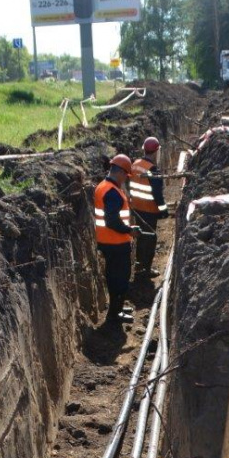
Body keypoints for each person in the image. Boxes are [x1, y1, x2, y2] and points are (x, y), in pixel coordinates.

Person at [94, 154, 139, 328]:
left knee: (116, 277)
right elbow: (111, 221)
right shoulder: (111, 192)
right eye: (125, 176)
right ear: (119, 172)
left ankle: (117, 309)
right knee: (119, 279)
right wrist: (130, 231)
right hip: (115, 243)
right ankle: (114, 314)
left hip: (109, 242)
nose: (124, 180)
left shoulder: (104, 187)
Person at [128, 137, 169, 280]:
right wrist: (163, 210)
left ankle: (139, 266)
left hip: (137, 208)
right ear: (157, 151)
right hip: (149, 210)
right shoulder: (152, 169)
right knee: (151, 238)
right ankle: (145, 269)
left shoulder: (135, 164)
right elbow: (157, 194)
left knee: (141, 236)